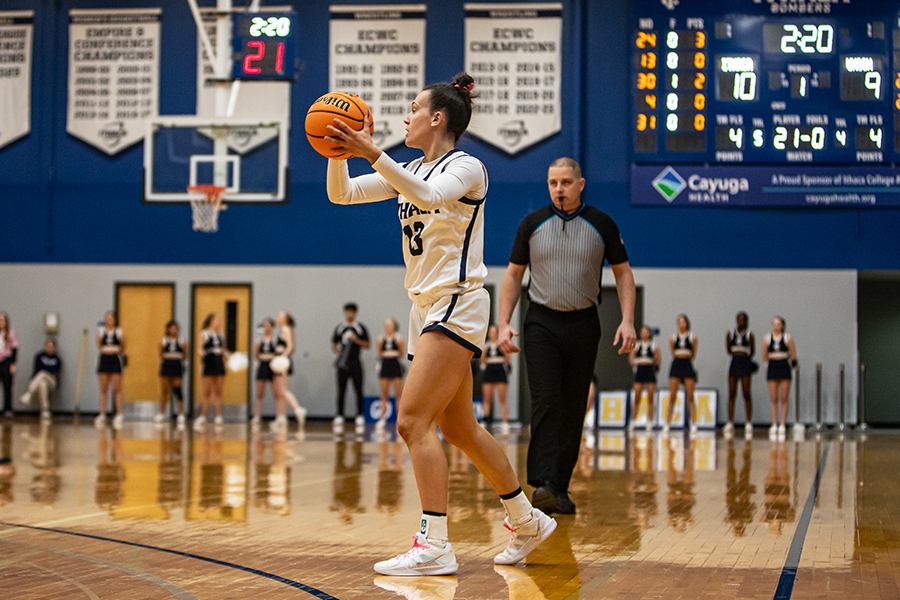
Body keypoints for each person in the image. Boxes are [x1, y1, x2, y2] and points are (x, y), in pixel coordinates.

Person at [327, 72, 556, 575]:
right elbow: (341, 196)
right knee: (461, 428)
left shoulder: (467, 167)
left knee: (412, 421)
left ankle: (435, 543)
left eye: (412, 108)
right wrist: (336, 149)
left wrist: (370, 152)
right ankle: (527, 519)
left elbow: (430, 196)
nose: (403, 117)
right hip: (424, 308)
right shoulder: (407, 169)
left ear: (437, 118)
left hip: (457, 302)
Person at [498, 156, 637, 516]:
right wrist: (503, 322)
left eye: (565, 182)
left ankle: (559, 487)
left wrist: (628, 320)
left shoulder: (602, 224)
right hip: (541, 322)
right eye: (552, 183)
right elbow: (513, 276)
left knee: (574, 406)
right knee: (546, 401)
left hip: (584, 324)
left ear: (580, 184)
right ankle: (542, 483)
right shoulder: (532, 224)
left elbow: (623, 274)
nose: (558, 188)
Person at [331, 303, 370, 434]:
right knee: (341, 390)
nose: (350, 314)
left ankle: (359, 415)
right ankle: (339, 415)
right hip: (342, 364)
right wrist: (339, 352)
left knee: (358, 389)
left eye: (352, 312)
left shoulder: (359, 328)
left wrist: (355, 340)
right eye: (348, 312)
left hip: (356, 363)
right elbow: (334, 344)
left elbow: (367, 344)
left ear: (355, 313)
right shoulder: (339, 328)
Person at [763, 316, 796, 441]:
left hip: (784, 367)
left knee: (784, 397)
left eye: (779, 324)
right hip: (772, 367)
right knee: (774, 398)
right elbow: (764, 356)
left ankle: (782, 424)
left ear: (782, 325)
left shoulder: (787, 338)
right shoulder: (767, 338)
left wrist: (791, 362)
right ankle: (774, 424)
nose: (776, 326)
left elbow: (793, 355)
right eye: (774, 324)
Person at [273, 311, 306, 429]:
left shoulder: (286, 329)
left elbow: (290, 347)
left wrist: (282, 358)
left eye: (280, 316)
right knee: (279, 392)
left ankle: (298, 409)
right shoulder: (280, 330)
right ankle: (281, 418)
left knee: (282, 390)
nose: (278, 317)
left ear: (285, 319)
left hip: (283, 362)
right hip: (279, 360)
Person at [665, 314, 698, 434]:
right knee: (672, 396)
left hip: (687, 364)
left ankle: (693, 423)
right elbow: (673, 352)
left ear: (687, 323)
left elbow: (693, 354)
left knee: (690, 396)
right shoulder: (673, 337)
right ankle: (667, 424)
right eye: (679, 322)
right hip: (676, 364)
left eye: (683, 322)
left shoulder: (693, 337)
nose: (681, 324)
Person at [726, 311, 755, 440]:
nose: (741, 322)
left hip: (744, 363)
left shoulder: (749, 335)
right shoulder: (730, 333)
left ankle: (748, 422)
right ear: (736, 320)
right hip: (734, 362)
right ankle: (730, 422)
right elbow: (728, 349)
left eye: (744, 319)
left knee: (746, 392)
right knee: (732, 393)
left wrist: (746, 359)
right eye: (739, 319)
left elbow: (752, 351)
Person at [196, 312, 228, 429]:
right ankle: (203, 416)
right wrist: (206, 353)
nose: (218, 322)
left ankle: (218, 416)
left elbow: (224, 350)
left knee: (219, 392)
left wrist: (233, 358)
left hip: (219, 363)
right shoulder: (203, 334)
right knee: (207, 393)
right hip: (209, 363)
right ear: (211, 321)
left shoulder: (221, 335)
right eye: (216, 320)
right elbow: (199, 350)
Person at [96, 311, 126, 429]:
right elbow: (99, 346)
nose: (109, 320)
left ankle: (119, 414)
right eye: (107, 318)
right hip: (104, 359)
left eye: (111, 318)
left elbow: (123, 347)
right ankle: (102, 414)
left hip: (115, 359)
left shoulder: (119, 332)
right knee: (103, 389)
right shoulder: (100, 332)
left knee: (117, 388)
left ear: (114, 320)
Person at [20, 338, 62, 420]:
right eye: (48, 346)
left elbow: (55, 374)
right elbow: (36, 371)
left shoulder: (57, 359)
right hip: (39, 380)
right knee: (42, 384)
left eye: (51, 346)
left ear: (54, 348)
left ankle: (29, 393)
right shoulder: (39, 356)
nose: (49, 348)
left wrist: (46, 373)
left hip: (52, 381)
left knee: (43, 373)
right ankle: (45, 410)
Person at [629, 326, 660, 432]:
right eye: (643, 332)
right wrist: (639, 361)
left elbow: (658, 360)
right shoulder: (636, 345)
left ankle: (649, 422)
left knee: (651, 397)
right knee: (636, 397)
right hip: (640, 371)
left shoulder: (654, 345)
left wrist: (650, 362)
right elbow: (631, 359)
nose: (644, 334)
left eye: (646, 332)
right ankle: (633, 421)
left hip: (650, 371)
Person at [376, 318, 405, 432]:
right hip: (385, 364)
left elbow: (402, 354)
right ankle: (382, 419)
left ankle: (400, 421)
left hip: (395, 364)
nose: (388, 326)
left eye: (390, 324)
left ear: (394, 326)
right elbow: (379, 354)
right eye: (386, 324)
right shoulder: (380, 339)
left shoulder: (399, 338)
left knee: (398, 394)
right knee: (384, 394)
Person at [480, 324, 511, 434]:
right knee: (487, 398)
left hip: (499, 369)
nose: (492, 334)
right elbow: (482, 357)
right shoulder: (486, 345)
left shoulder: (501, 344)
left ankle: (505, 423)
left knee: (502, 398)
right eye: (491, 332)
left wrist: (507, 366)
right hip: (489, 369)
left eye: (494, 332)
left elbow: (507, 356)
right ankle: (484, 421)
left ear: (497, 333)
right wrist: (483, 366)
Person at [157, 320, 187, 427]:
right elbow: (160, 353)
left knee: (178, 390)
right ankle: (161, 413)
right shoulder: (164, 340)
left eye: (175, 328)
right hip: (166, 364)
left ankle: (181, 414)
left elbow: (185, 354)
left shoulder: (182, 340)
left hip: (177, 364)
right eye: (171, 328)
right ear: (168, 329)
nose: (173, 330)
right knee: (165, 390)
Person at [252, 318, 277, 426]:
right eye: (264, 325)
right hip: (262, 365)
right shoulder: (259, 339)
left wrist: (271, 357)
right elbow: (255, 355)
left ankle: (278, 417)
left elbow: (278, 353)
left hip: (273, 366)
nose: (265, 327)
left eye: (267, 325)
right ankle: (257, 417)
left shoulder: (275, 339)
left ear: (272, 327)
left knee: (276, 393)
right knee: (259, 394)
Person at [0, 313, 18, 418]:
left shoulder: (10, 333)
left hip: (6, 360)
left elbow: (14, 349)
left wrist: (13, 364)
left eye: (2, 320)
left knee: (7, 386)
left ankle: (8, 409)